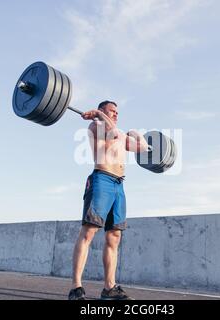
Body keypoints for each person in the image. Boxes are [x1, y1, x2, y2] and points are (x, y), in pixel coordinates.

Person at [68, 100, 148, 300]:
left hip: (119, 185)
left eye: (118, 112)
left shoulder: (120, 135)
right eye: (112, 111)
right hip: (101, 179)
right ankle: (76, 288)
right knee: (89, 232)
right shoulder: (96, 126)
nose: (116, 114)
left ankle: (109, 288)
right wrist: (96, 115)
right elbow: (110, 129)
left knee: (114, 237)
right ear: (102, 111)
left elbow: (143, 148)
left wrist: (133, 131)